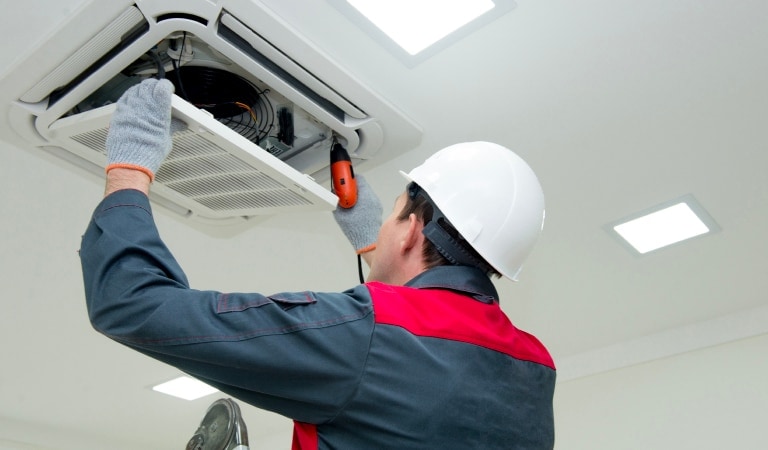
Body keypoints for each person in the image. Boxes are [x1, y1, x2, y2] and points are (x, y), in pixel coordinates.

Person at [80, 78, 555, 449]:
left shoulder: (369, 333)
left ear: (412, 231)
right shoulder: (534, 367)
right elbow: (410, 388)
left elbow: (130, 303)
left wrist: (130, 166)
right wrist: (378, 249)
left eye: (391, 216)